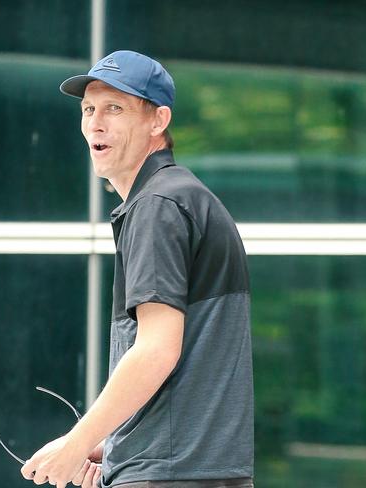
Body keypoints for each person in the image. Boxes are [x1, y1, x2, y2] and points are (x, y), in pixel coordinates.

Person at [20, 50, 254, 488]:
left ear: (158, 120)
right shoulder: (181, 199)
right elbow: (191, 366)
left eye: (115, 108)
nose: (95, 122)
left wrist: (76, 443)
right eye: (88, 108)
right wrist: (114, 443)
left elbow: (157, 350)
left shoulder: (157, 206)